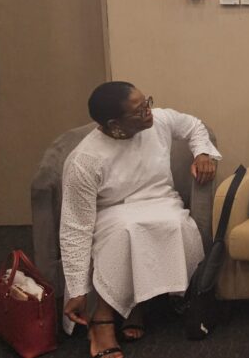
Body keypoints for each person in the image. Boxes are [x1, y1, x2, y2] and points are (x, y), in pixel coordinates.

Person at [61, 82, 219, 358]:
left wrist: (202, 152)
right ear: (115, 123)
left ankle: (141, 304)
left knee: (177, 225)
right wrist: (76, 288)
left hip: (161, 201)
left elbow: (194, 126)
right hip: (113, 212)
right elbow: (75, 226)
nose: (149, 111)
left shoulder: (158, 120)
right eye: (139, 110)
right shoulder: (84, 160)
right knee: (129, 231)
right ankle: (103, 320)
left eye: (147, 102)